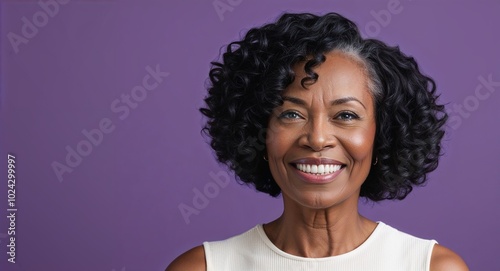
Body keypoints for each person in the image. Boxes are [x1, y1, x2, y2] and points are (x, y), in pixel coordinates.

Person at [167, 12, 469, 271]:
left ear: (382, 135)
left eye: (347, 115)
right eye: (291, 114)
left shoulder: (431, 267)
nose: (317, 138)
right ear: (258, 131)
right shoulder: (204, 267)